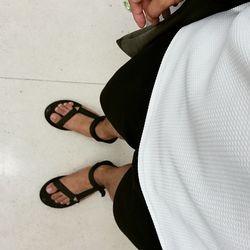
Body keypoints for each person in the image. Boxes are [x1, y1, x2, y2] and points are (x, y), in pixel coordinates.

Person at [40, 1, 250, 249]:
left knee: (135, 210)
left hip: (224, 225)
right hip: (222, 68)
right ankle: (106, 129)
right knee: (124, 102)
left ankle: (104, 174)